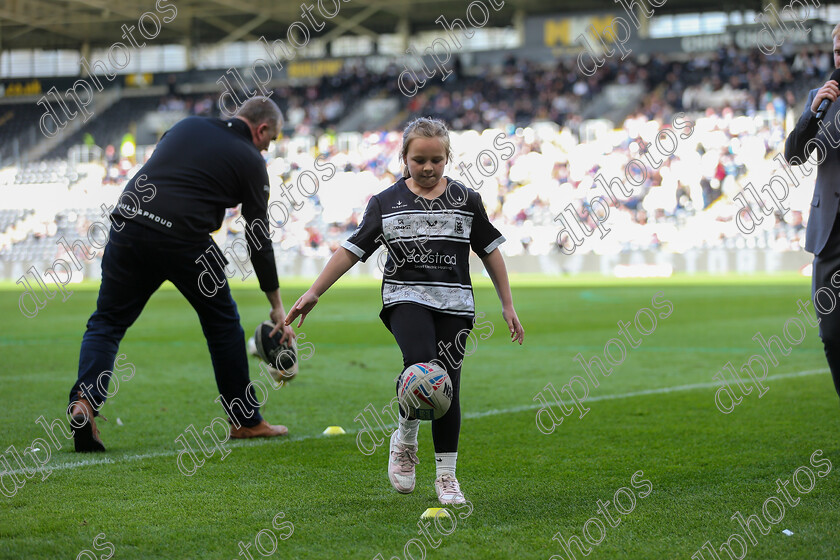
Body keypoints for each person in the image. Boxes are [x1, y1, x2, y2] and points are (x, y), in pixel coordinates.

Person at [284, 117, 525, 505]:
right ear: (404, 158)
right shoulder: (384, 202)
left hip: (456, 305)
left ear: (447, 158)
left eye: (436, 160)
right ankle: (406, 439)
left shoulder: (466, 199)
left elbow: (490, 250)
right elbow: (351, 250)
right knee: (420, 367)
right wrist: (315, 291)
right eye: (419, 160)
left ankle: (446, 477)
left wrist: (507, 304)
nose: (428, 168)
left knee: (448, 387)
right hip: (405, 298)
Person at [67, 96, 296, 452]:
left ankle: (85, 401)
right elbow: (257, 235)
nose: (269, 146)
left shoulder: (189, 125)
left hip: (128, 223)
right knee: (222, 325)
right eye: (272, 139)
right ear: (261, 128)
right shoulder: (251, 160)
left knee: (107, 322)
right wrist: (277, 306)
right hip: (184, 238)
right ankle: (245, 421)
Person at [785, 24, 840, 402]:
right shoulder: (819, 99)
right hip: (829, 234)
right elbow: (793, 154)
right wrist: (813, 114)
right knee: (832, 335)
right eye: (838, 51)